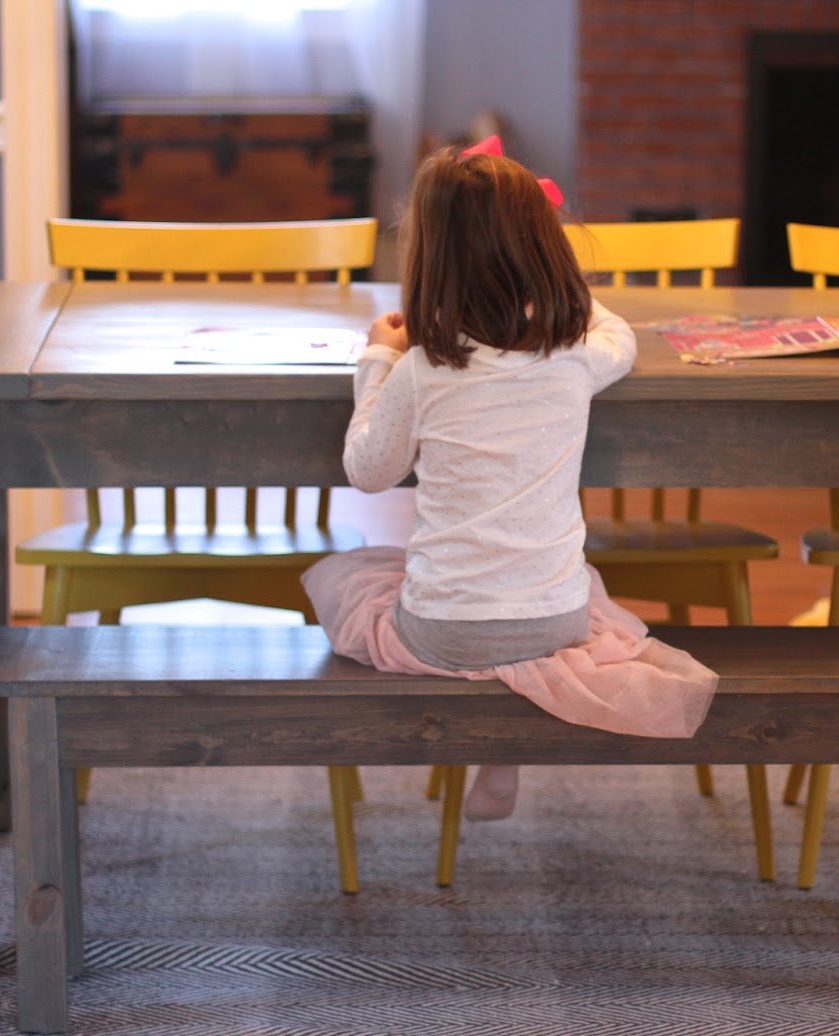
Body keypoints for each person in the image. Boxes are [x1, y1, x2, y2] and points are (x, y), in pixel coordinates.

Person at [301, 138, 717, 822]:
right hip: (552, 627)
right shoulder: (573, 357)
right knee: (564, 580)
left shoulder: (422, 370)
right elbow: (620, 337)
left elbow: (367, 472)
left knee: (355, 574)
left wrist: (377, 357)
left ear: (431, 262)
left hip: (441, 633)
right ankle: (503, 760)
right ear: (546, 254)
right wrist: (569, 303)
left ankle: (485, 749)